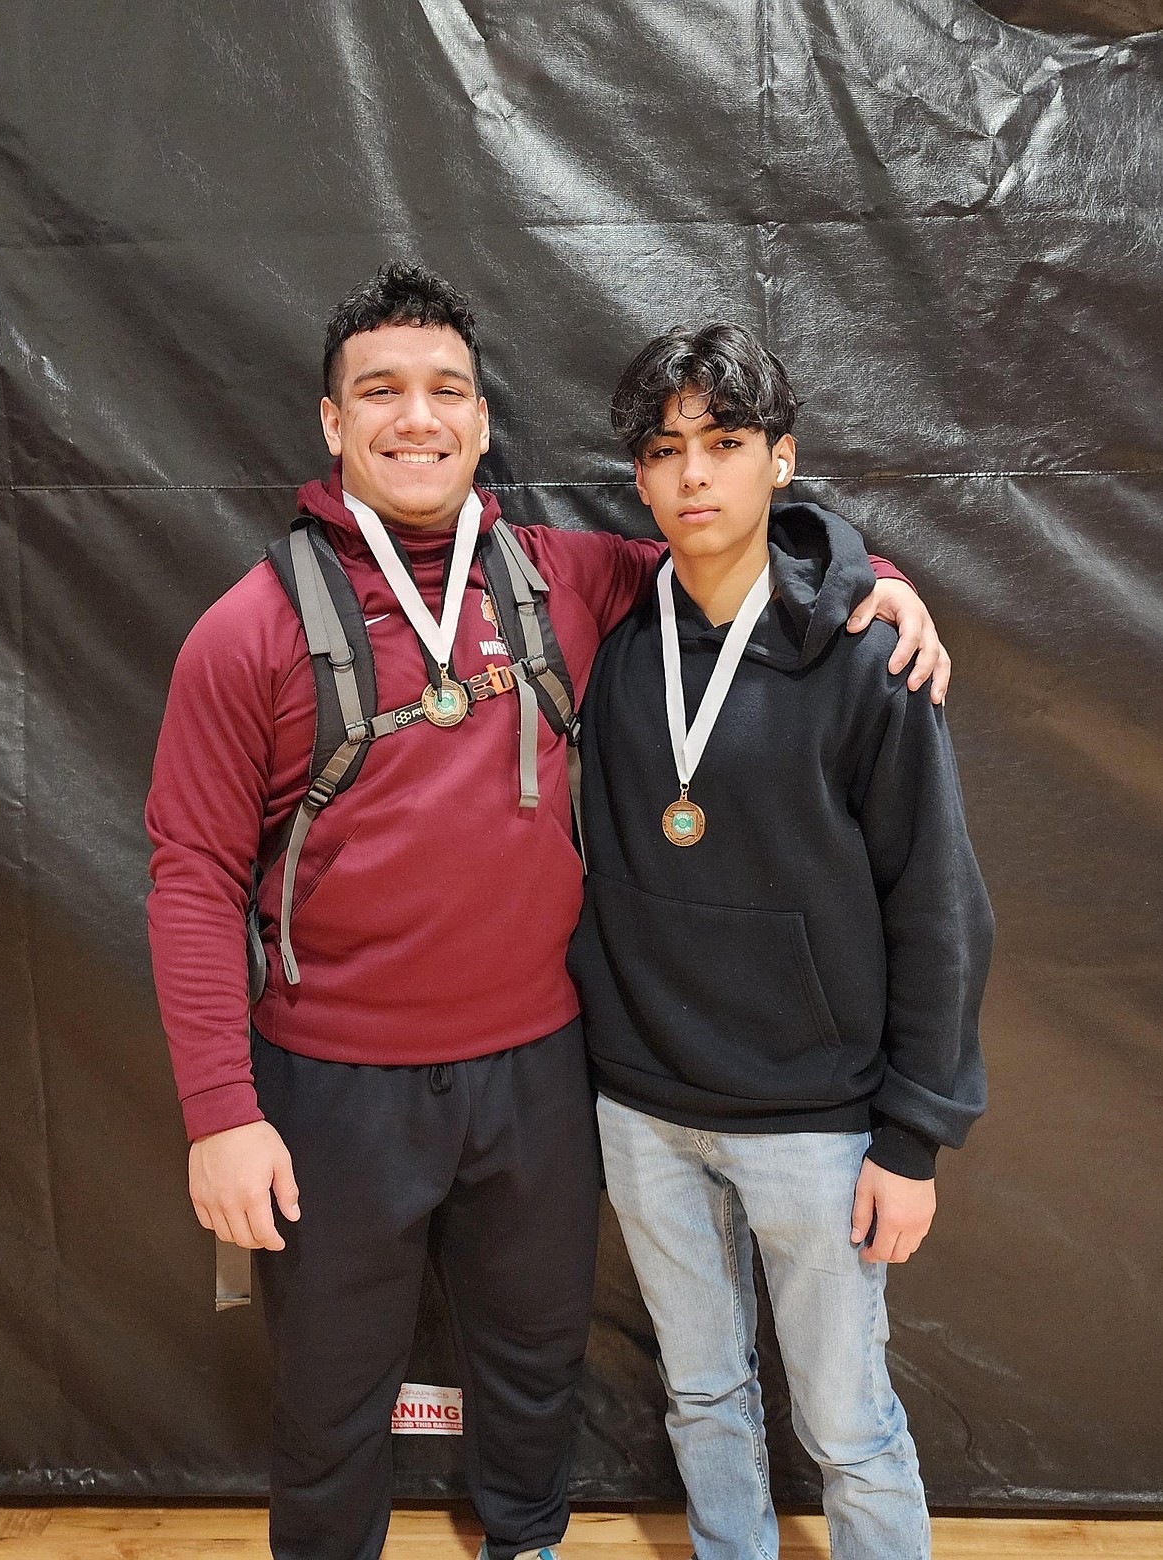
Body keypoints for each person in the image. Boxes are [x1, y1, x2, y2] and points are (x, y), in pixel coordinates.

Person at [145, 265, 949, 1560]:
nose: (417, 418)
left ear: (480, 420)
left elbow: (735, 541)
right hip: (332, 1085)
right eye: (381, 393)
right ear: (331, 424)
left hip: (541, 1070)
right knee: (328, 1394)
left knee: (530, 1368)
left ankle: (523, 1543)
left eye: (445, 391)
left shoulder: (560, 578)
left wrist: (872, 575)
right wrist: (220, 1113)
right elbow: (189, 875)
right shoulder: (247, 632)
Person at [567, 323, 993, 1560]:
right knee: (701, 1397)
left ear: (782, 459)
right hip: (642, 1105)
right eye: (665, 450)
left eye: (726, 442)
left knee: (848, 1423)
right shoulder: (605, 629)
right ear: (639, 483)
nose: (695, 473)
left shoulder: (869, 656)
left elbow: (939, 906)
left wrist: (912, 1138)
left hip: (816, 1122)